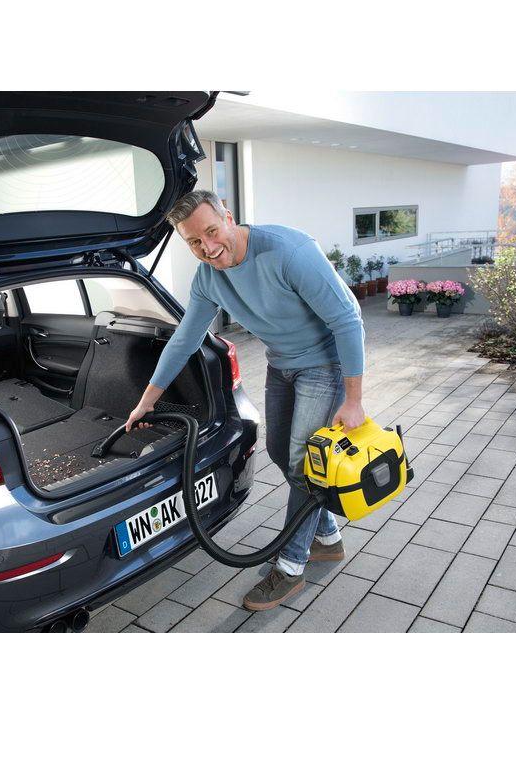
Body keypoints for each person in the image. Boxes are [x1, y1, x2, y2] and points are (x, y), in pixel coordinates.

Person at [124, 190, 366, 611]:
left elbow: (348, 320)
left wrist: (354, 400)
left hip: (324, 364)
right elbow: (184, 340)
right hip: (281, 364)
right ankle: (326, 537)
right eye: (194, 242)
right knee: (280, 452)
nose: (207, 247)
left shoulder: (289, 252)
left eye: (211, 231)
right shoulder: (208, 279)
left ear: (229, 217)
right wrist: (147, 400)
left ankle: (290, 566)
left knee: (303, 462)